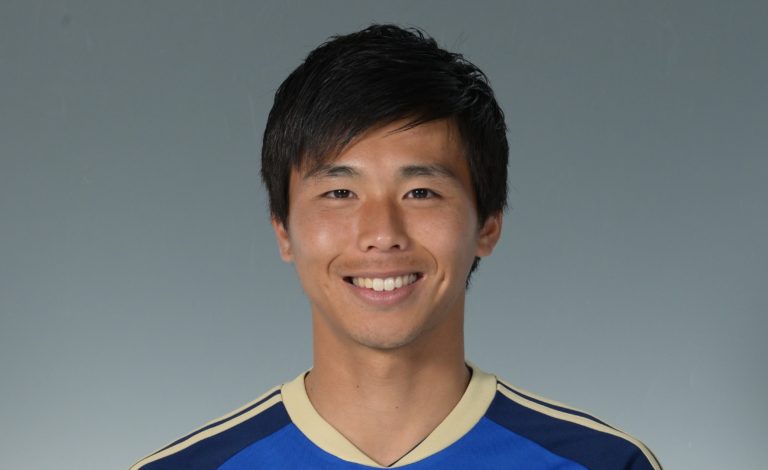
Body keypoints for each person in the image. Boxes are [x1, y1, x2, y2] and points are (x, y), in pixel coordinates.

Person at [130, 24, 661, 469]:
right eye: (340, 193)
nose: (382, 233)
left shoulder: (603, 464)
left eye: (421, 192)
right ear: (283, 231)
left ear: (488, 224)